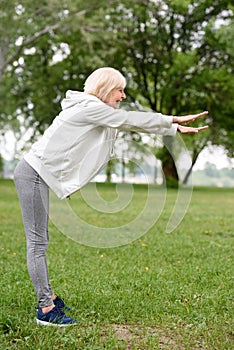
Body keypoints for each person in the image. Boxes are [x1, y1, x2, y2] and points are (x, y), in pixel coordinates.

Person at [14, 67, 208, 326]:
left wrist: (171, 129)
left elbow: (125, 123)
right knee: (38, 243)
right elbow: (129, 120)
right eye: (119, 89)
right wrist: (172, 120)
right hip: (32, 174)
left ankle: (49, 296)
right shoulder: (89, 108)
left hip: (36, 174)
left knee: (41, 241)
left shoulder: (92, 110)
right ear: (105, 89)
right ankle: (46, 310)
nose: (123, 95)